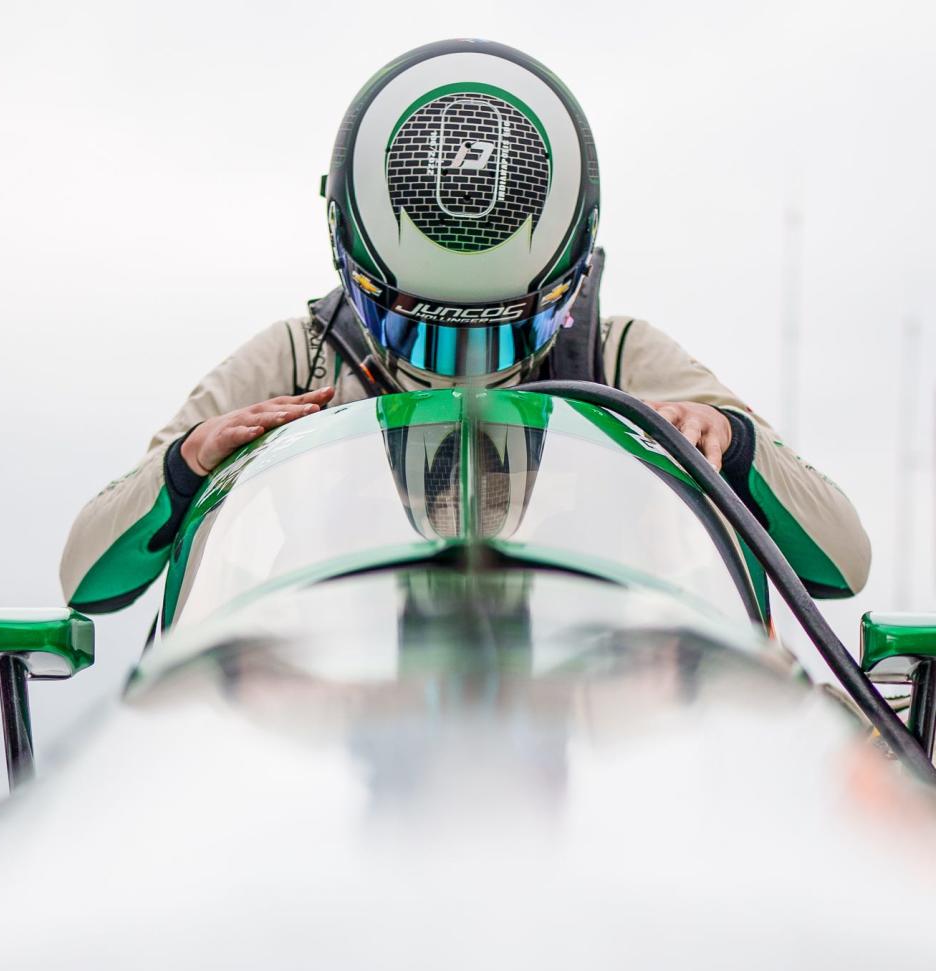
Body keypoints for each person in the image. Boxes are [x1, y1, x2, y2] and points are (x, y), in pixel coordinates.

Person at [59, 39, 870, 615]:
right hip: (332, 698)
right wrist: (187, 463)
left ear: (573, 270)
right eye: (429, 334)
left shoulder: (619, 354)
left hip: (587, 704)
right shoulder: (296, 356)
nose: (463, 368)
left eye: (500, 329)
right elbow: (87, 577)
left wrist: (731, 443)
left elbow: (841, 557)